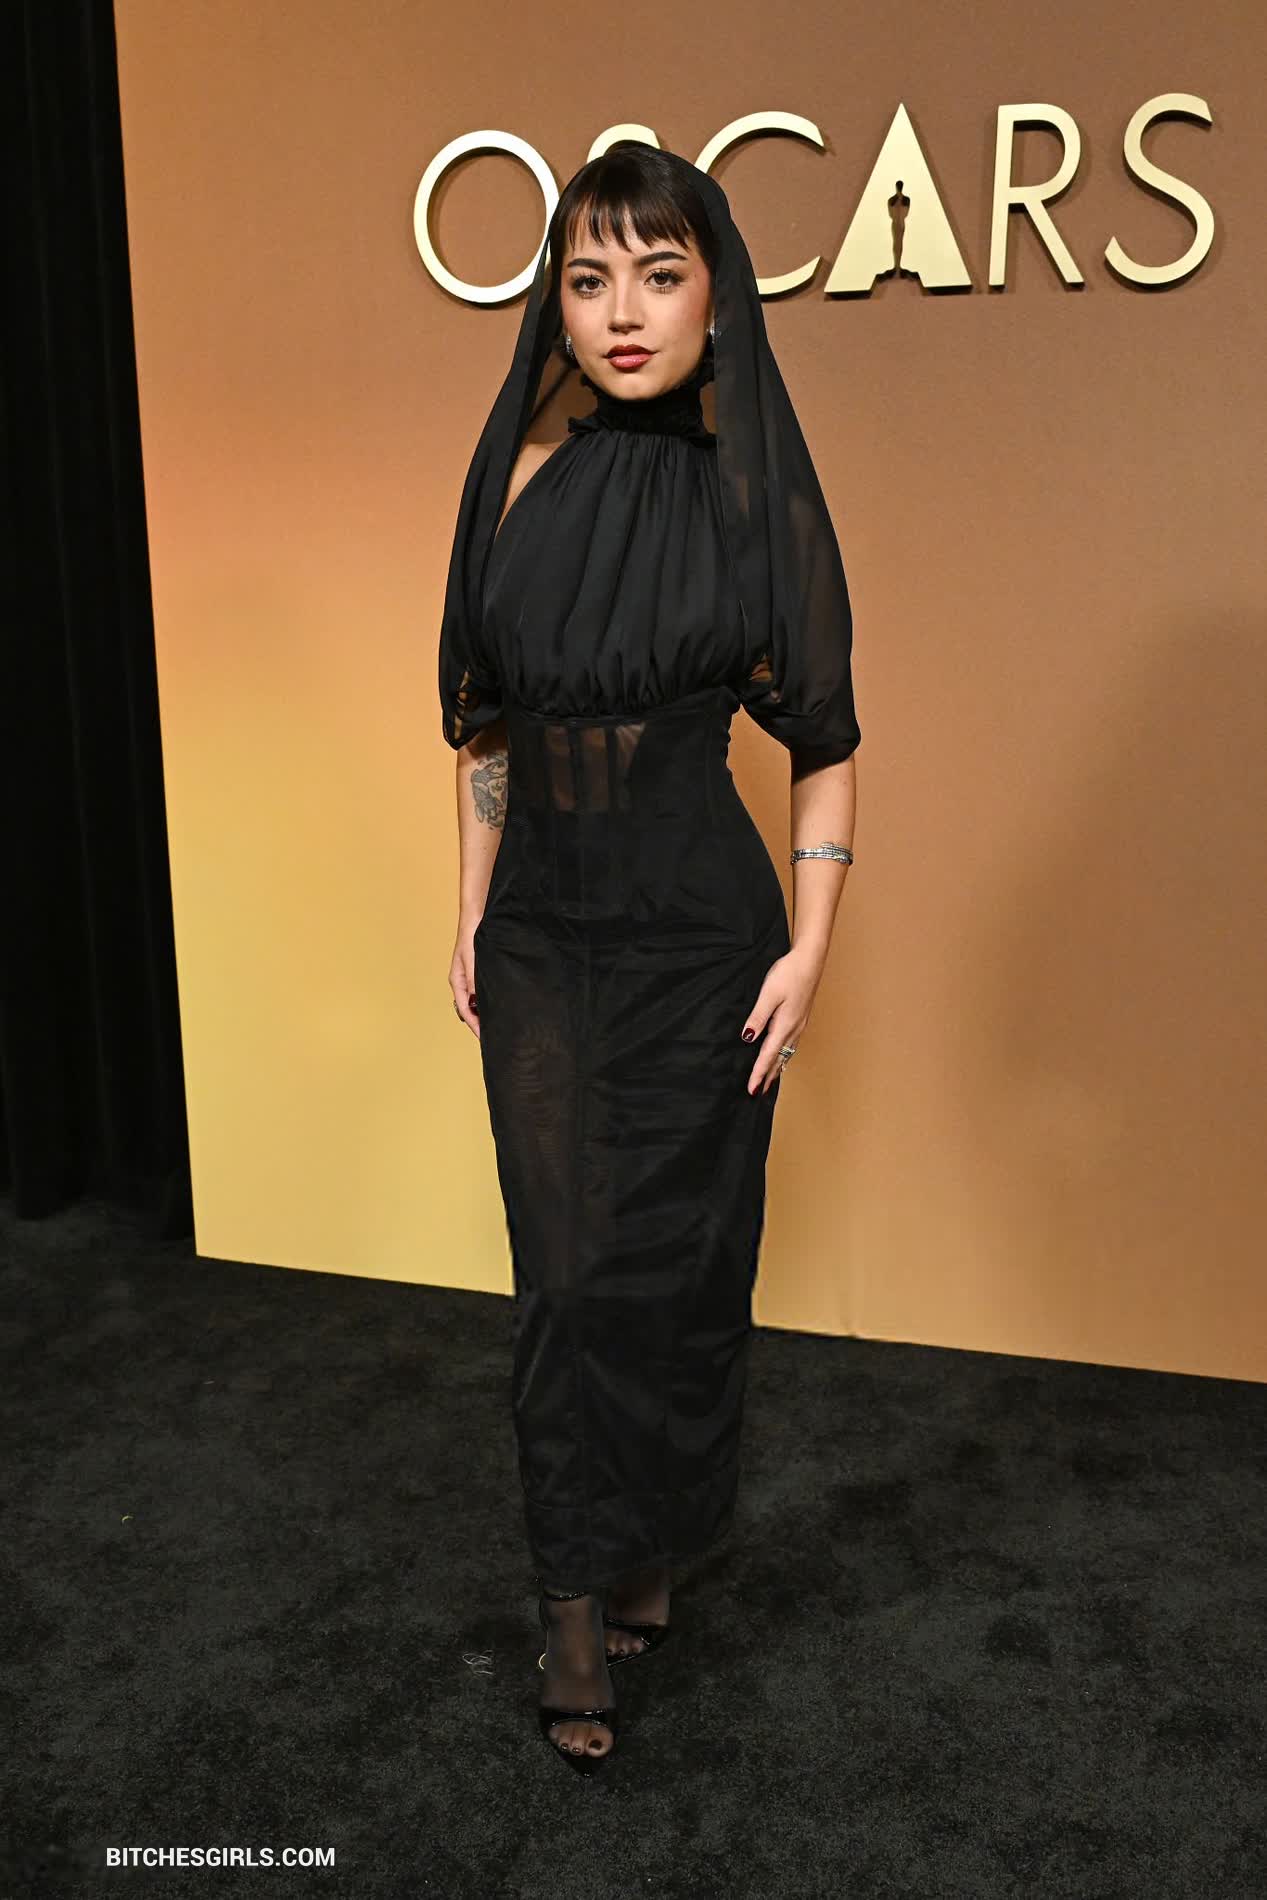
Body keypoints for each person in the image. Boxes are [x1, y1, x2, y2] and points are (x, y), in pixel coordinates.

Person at [438, 142, 860, 1773]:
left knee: (678, 1265)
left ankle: (650, 1545)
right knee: (561, 1273)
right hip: (547, 935)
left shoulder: (753, 497)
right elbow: (484, 725)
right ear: (556, 302)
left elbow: (823, 743)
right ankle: (570, 1601)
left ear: (715, 296)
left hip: (705, 940)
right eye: (590, 277)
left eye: (660, 275)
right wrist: (469, 903)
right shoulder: (516, 483)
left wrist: (810, 947)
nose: (623, 311)